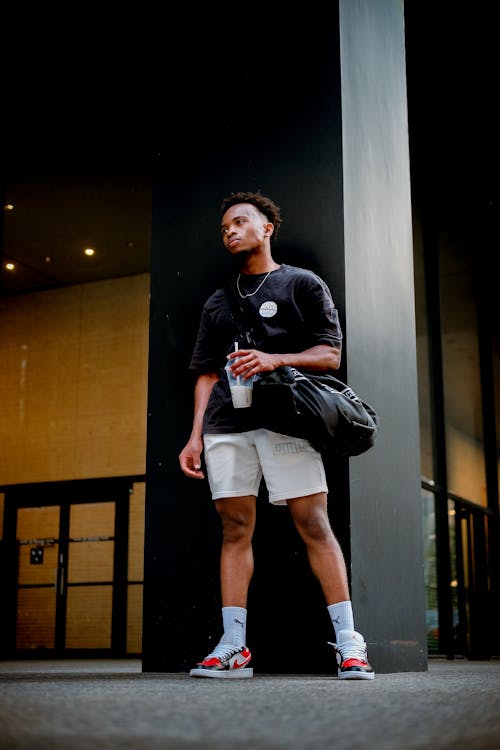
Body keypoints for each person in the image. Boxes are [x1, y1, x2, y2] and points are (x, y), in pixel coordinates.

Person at [179, 191, 374, 681]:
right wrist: (195, 436)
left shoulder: (301, 284)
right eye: (224, 227)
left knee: (314, 525)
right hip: (226, 425)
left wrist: (275, 359)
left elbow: (329, 356)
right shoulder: (217, 302)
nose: (230, 231)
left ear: (267, 228)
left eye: (240, 222)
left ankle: (350, 644)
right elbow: (204, 373)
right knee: (235, 531)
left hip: (286, 420)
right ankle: (233, 649)